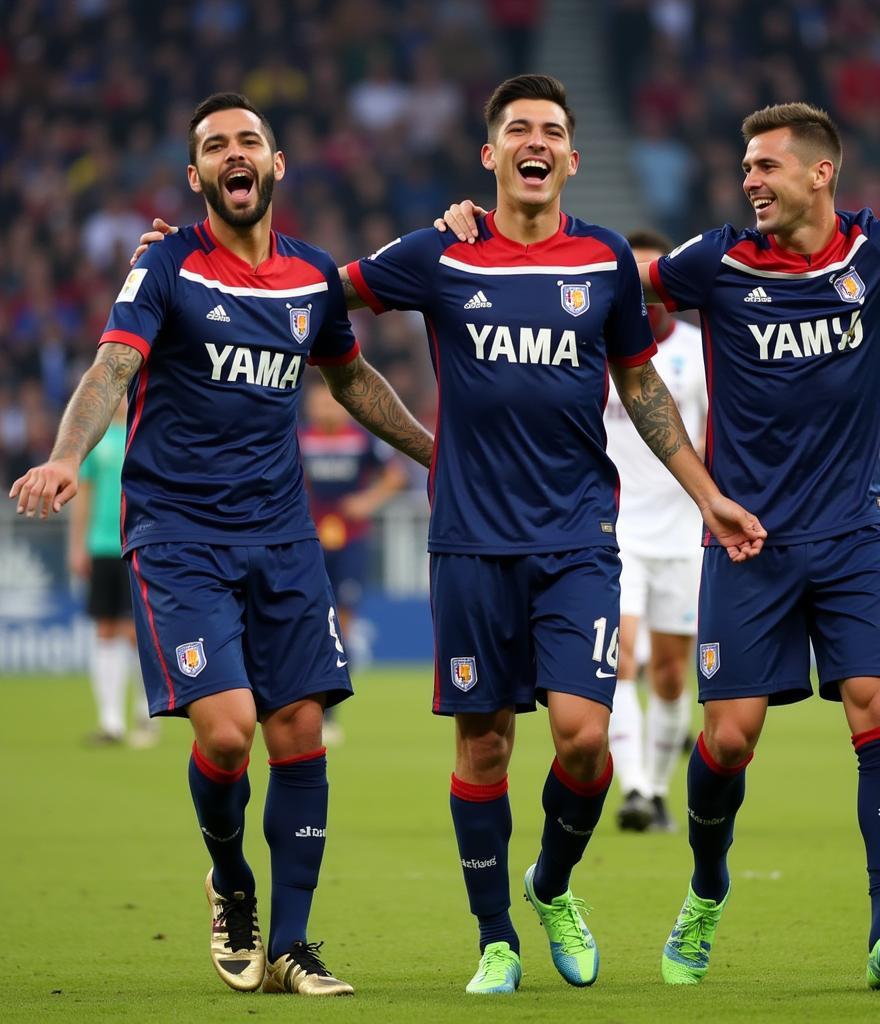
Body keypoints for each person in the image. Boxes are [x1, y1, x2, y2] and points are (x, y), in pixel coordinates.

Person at [132, 74, 765, 998]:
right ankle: (496, 938)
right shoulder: (440, 252)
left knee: (586, 742)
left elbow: (641, 387)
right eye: (518, 128)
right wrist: (193, 259)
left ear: (571, 158)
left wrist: (704, 492)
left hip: (579, 535)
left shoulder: (603, 265)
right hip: (469, 541)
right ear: (493, 154)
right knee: (484, 748)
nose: (534, 141)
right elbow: (312, 293)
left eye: (551, 128)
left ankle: (550, 884)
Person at [442, 98, 880, 991]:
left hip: (857, 528)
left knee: (875, 701)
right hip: (748, 538)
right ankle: (707, 887)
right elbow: (611, 274)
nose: (749, 180)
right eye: (745, 167)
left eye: (767, 166)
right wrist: (486, 238)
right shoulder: (714, 262)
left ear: (820, 172)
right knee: (731, 738)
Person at [10, 92, 433, 998]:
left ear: (277, 166)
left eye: (249, 141)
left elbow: (351, 379)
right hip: (179, 533)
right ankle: (232, 881)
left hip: (282, 535)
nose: (233, 154)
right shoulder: (166, 264)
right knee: (231, 733)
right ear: (197, 176)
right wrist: (63, 456)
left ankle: (291, 942)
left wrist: (438, 453)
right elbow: (112, 366)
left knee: (301, 730)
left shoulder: (312, 277)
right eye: (214, 146)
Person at [604, 230, 705, 834]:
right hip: (617, 529)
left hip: (684, 533)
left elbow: (718, 435)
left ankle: (659, 789)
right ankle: (636, 789)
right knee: (621, 662)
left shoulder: (697, 352)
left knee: (670, 674)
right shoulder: (599, 349)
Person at [299, 374, 408, 743]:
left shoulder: (362, 438)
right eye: (318, 402)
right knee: (308, 618)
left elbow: (395, 476)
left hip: (350, 541)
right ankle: (301, 703)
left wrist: (366, 502)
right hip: (307, 541)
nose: (324, 408)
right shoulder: (298, 437)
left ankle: (330, 711)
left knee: (340, 623)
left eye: (330, 401)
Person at [69, 396, 156, 748]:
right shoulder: (99, 440)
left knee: (136, 631)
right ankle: (111, 720)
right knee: (105, 629)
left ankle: (144, 711)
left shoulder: (146, 434)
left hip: (140, 542)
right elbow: (84, 496)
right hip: (103, 546)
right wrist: (77, 546)